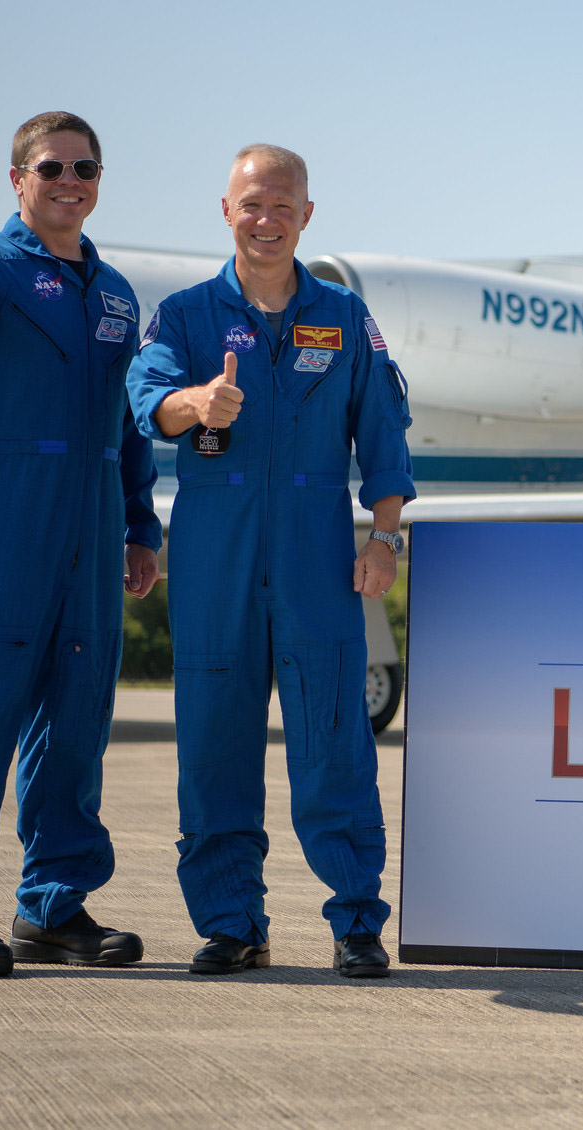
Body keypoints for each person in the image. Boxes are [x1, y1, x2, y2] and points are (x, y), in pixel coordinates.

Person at [127, 144, 414, 979]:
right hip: (215, 554)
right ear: (226, 211)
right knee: (214, 740)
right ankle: (230, 923)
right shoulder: (185, 315)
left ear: (306, 217)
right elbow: (146, 402)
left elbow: (384, 435)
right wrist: (194, 403)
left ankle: (356, 921)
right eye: (251, 204)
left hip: (317, 552)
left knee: (333, 737)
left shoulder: (344, 317)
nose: (265, 219)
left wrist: (385, 537)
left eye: (282, 206)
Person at [0, 112, 163, 977]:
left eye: (85, 167)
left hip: (91, 518)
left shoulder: (118, 294)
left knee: (76, 713)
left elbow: (128, 426)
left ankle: (53, 907)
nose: (70, 180)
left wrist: (138, 523)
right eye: (51, 167)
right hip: (2, 514)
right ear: (19, 178)